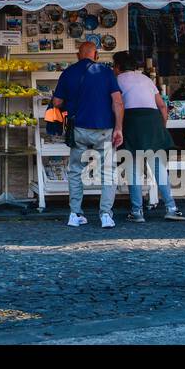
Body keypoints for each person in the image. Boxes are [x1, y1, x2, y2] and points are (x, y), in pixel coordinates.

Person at [51, 41, 124, 229]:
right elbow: (117, 102)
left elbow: (57, 102)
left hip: (79, 130)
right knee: (107, 171)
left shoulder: (68, 73)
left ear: (78, 55)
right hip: (104, 129)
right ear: (96, 54)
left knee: (75, 171)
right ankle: (106, 215)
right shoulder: (106, 73)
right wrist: (118, 128)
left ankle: (75, 213)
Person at [112, 51, 185, 222]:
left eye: (114, 66)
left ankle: (137, 212)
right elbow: (162, 106)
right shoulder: (146, 79)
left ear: (117, 66)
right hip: (152, 121)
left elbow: (117, 105)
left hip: (132, 121)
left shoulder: (116, 80)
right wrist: (161, 128)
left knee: (133, 167)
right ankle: (171, 208)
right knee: (158, 166)